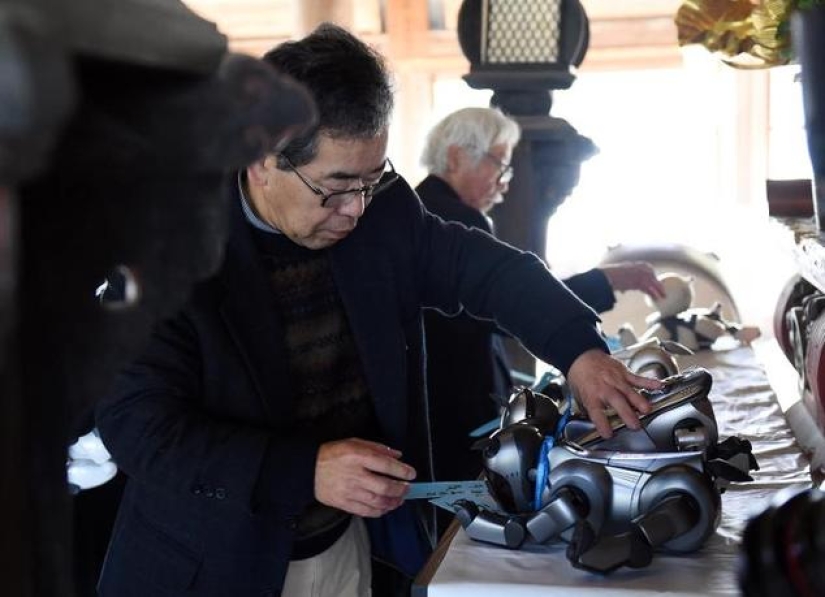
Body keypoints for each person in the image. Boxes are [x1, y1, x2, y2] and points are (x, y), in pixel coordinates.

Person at [95, 25, 661, 597]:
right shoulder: (163, 245)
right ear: (263, 157)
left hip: (349, 545)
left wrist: (579, 351)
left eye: (372, 179)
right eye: (336, 187)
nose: (355, 211)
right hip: (211, 563)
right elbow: (140, 428)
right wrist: (304, 470)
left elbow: (490, 271)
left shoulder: (383, 214)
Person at [417, 107, 667, 495]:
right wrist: (605, 284)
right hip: (451, 407)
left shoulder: (435, 209)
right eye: (500, 165)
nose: (504, 183)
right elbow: (509, 304)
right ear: (455, 157)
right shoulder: (447, 218)